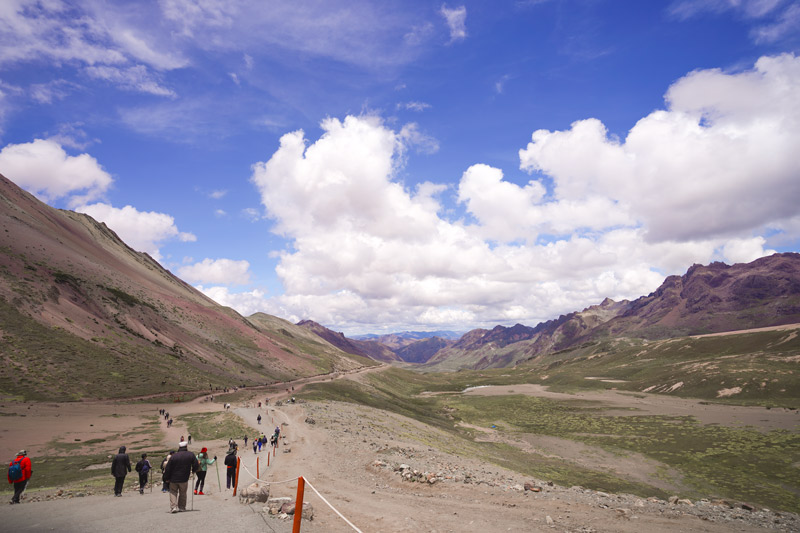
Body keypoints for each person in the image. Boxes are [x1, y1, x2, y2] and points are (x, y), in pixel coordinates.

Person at [163, 440, 200, 513]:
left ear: (179, 447)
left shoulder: (174, 456)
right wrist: (194, 470)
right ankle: (182, 507)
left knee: (173, 492)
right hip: (184, 478)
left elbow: (168, 468)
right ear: (186, 446)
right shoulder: (190, 455)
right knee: (183, 492)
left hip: (173, 478)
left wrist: (166, 478)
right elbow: (196, 464)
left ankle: (173, 507)